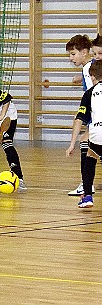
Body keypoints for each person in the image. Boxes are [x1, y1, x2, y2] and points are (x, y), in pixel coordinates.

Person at [66, 60, 102, 208]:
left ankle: (87, 196)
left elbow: (79, 120)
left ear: (92, 76)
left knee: (91, 156)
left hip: (98, 134)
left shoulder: (89, 93)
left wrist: (72, 145)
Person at [66, 34, 95, 196]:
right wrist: (81, 79)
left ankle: (86, 184)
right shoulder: (91, 67)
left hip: (97, 112)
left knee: (85, 142)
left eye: (73, 54)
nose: (71, 58)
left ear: (84, 52)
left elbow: (94, 91)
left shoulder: (88, 68)